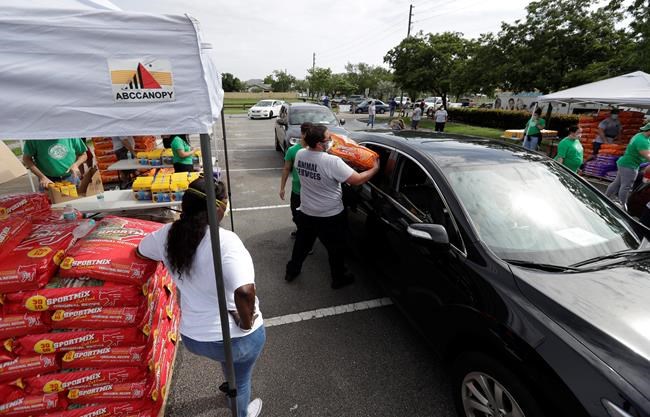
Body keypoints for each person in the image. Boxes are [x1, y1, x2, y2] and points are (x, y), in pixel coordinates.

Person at [138, 177, 265, 417]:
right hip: (236, 339)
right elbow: (245, 291)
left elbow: (141, 251)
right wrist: (246, 323)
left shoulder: (168, 234)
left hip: (195, 338)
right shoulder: (226, 242)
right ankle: (242, 412)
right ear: (217, 208)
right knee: (243, 378)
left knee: (231, 364)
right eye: (225, 204)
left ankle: (231, 384)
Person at [285, 125, 379, 289]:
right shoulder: (332, 161)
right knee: (336, 249)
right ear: (320, 144)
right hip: (330, 216)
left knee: (301, 245)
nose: (332, 141)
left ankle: (292, 271)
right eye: (329, 139)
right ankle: (338, 278)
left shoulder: (300, 154)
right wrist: (375, 169)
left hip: (307, 211)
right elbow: (356, 180)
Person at [279, 122, 312, 235]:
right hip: (297, 191)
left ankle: (306, 237)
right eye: (306, 133)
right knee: (296, 214)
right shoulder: (292, 150)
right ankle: (301, 230)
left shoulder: (316, 150)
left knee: (309, 217)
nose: (308, 136)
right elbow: (286, 169)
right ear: (302, 134)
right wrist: (282, 188)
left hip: (311, 191)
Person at [605, 123, 650, 207]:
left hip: (624, 162)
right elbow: (647, 156)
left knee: (617, 183)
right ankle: (623, 206)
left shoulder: (640, 135)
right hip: (630, 165)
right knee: (626, 186)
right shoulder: (642, 141)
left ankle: (605, 197)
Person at [23, 138, 88, 189]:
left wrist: (76, 165)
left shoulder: (69, 134)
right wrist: (42, 177)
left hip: (71, 177)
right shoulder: (34, 138)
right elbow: (26, 159)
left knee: (76, 203)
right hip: (48, 181)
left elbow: (83, 154)